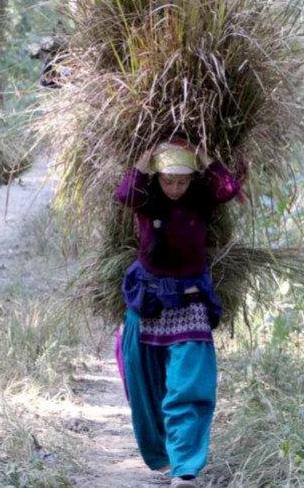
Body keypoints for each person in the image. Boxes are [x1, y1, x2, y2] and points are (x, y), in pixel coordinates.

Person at [114, 139, 241, 488]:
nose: (174, 187)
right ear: (157, 177)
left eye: (182, 181)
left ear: (193, 179)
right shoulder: (148, 198)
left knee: (189, 385)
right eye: (168, 180)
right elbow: (124, 195)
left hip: (192, 300)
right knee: (147, 386)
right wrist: (144, 159)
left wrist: (203, 155)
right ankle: (166, 456)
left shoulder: (200, 199)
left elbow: (229, 188)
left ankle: (184, 467)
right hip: (149, 299)